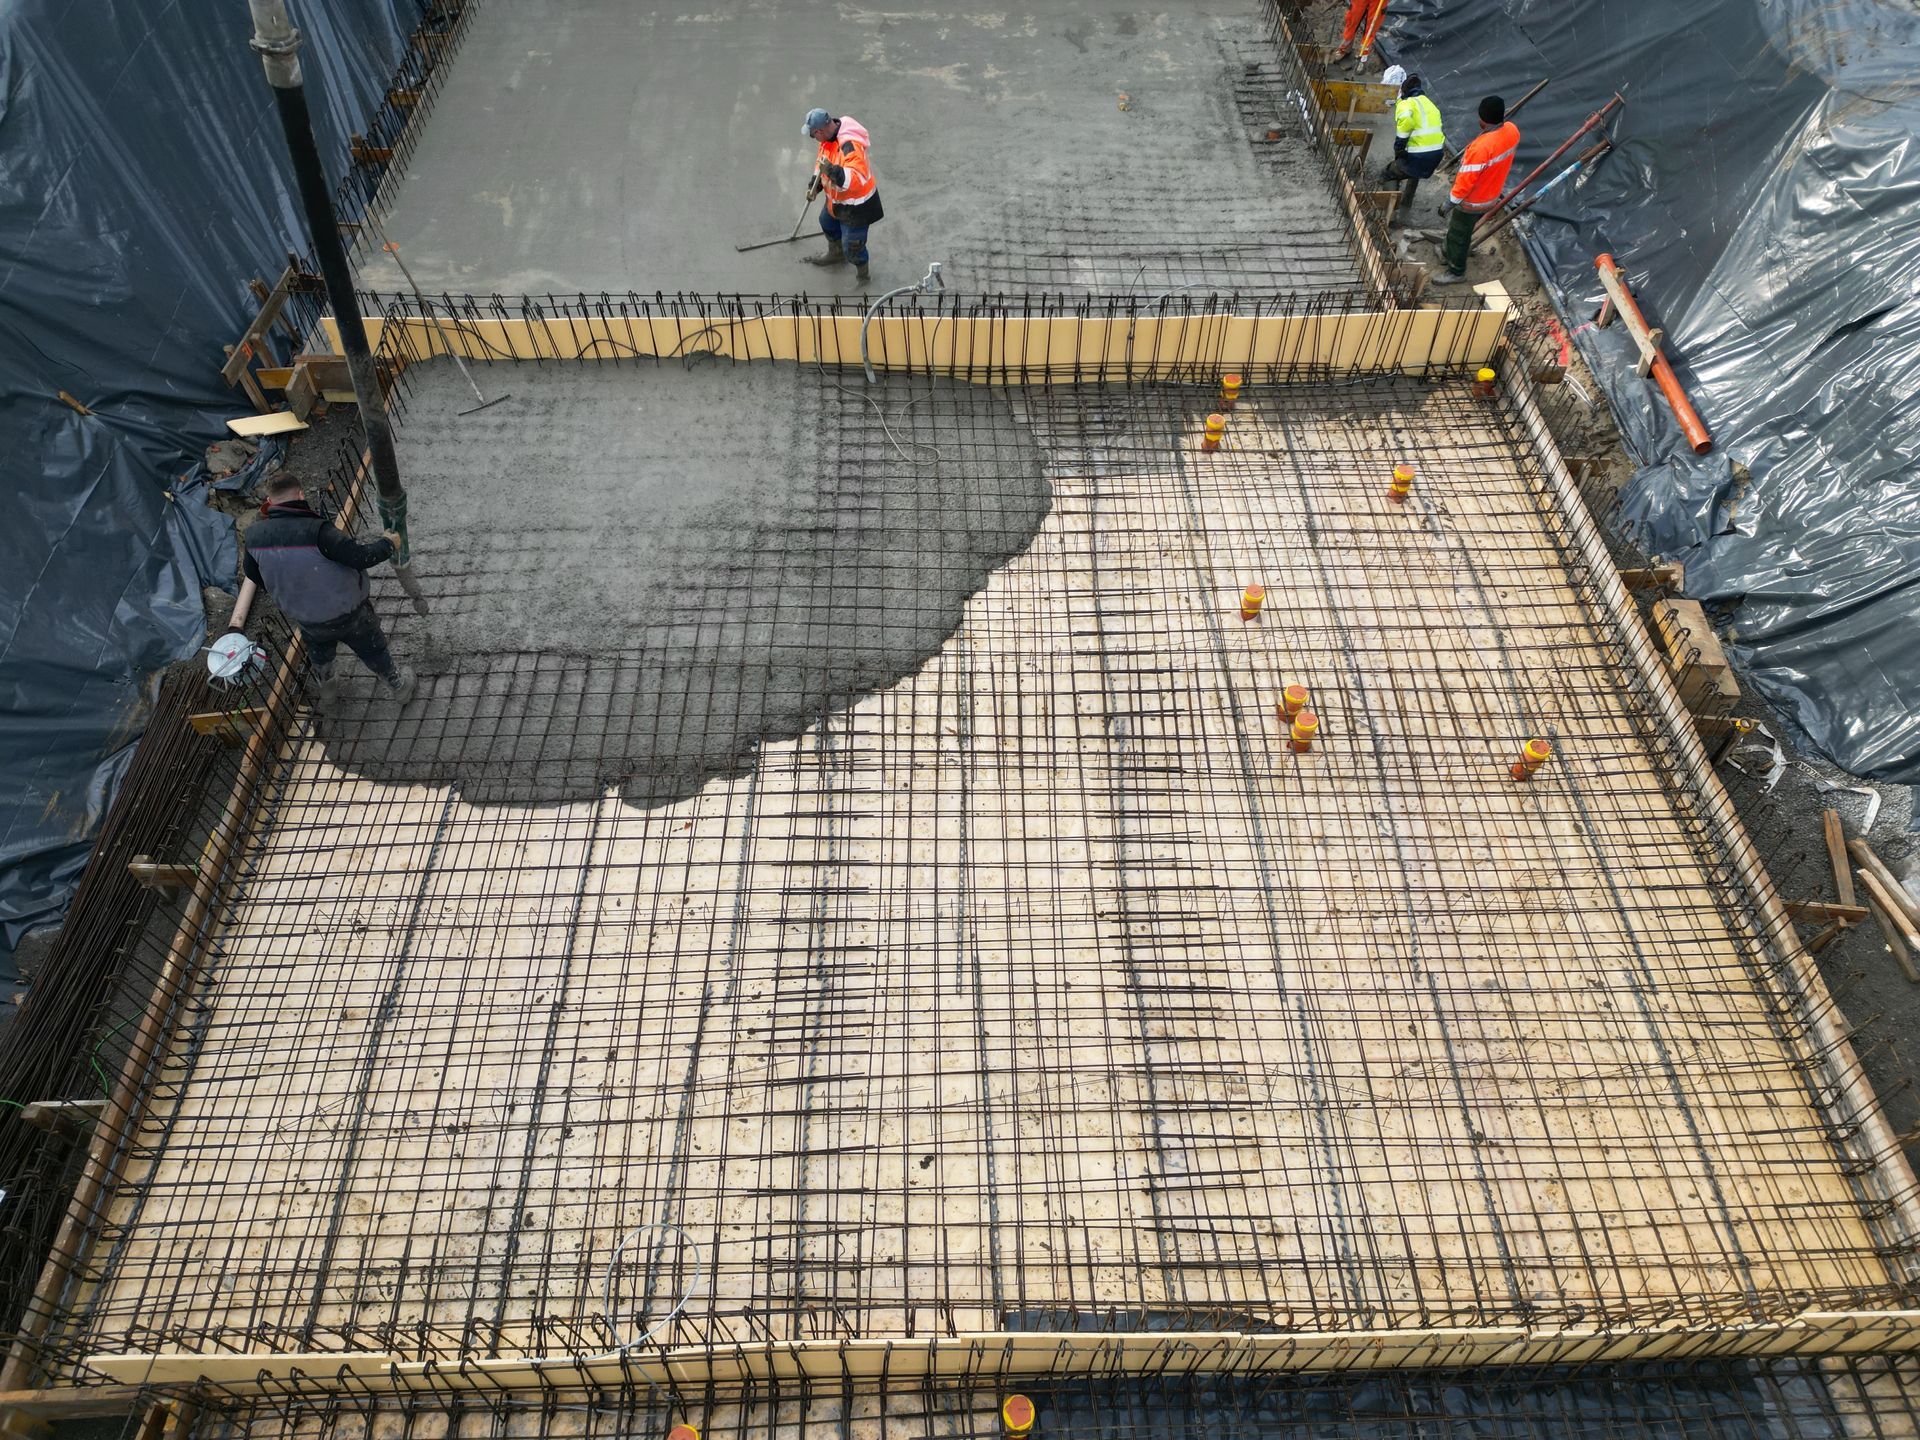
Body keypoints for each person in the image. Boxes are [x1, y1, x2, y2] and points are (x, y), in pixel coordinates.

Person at [242, 470, 416, 704]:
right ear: (301, 495)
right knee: (373, 648)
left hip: (308, 618)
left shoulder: (253, 537)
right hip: (347, 613)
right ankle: (398, 686)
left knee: (320, 652)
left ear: (270, 502)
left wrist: (291, 590)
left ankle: (327, 688)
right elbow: (359, 557)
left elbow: (253, 573)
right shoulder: (319, 532)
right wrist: (387, 544)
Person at [1432, 95, 1519, 285]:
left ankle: (1456, 271)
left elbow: (1465, 182)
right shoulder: (1512, 131)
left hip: (1473, 201)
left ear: (1482, 120)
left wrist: (1449, 203)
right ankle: (1448, 251)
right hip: (1491, 196)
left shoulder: (1480, 148)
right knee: (1462, 231)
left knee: (1458, 234)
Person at [801, 107, 884, 284]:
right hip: (836, 201)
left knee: (853, 248)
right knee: (826, 222)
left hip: (856, 207)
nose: (813, 138)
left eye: (813, 134)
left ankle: (863, 275)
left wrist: (831, 171)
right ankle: (836, 253)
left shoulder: (849, 146)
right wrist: (814, 186)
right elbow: (820, 163)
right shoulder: (826, 141)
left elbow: (856, 179)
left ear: (820, 131)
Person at [1379, 67, 1444, 221]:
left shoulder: (1406, 104)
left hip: (1419, 156)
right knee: (1414, 171)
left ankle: (1391, 215)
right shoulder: (1429, 103)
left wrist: (1399, 149)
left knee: (1389, 174)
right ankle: (1406, 203)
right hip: (1436, 156)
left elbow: (1405, 126)